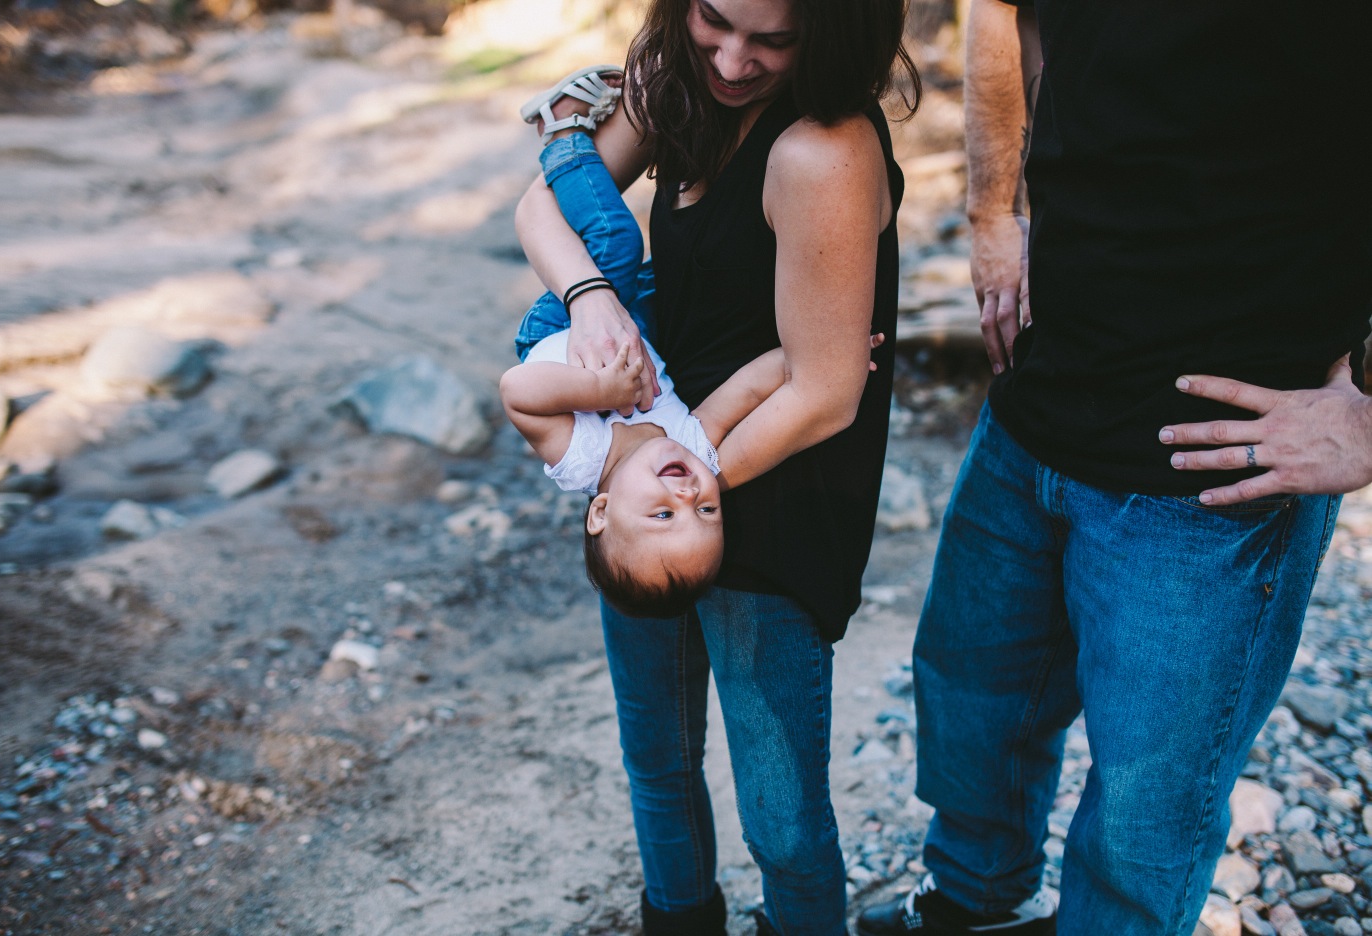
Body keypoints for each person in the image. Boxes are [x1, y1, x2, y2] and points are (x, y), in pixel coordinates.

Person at [856, 1, 1372, 934]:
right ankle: (974, 905)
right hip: (1040, 396)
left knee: (1144, 822)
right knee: (972, 706)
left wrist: (1369, 417)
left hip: (1210, 476)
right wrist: (990, 210)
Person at [514, 2, 919, 933]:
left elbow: (822, 393)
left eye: (772, 39)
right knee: (657, 760)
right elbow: (544, 203)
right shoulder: (678, 83)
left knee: (780, 818)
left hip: (767, 494)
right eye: (714, 20)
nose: (734, 61)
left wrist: (674, 493)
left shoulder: (822, 150)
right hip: (659, 479)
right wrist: (587, 298)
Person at [504, 68, 886, 617]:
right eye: (708, 512)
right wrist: (834, 345)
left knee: (615, 242)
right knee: (702, 276)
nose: (687, 498)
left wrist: (598, 386)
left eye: (663, 516)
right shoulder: (695, 447)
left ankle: (562, 134)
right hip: (646, 328)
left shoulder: (583, 460)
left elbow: (518, 391)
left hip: (562, 330)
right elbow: (748, 388)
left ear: (601, 512)